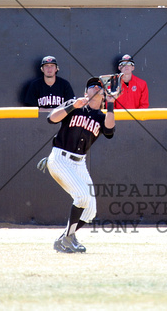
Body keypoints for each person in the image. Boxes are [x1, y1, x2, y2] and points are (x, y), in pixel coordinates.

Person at [44, 76, 115, 253]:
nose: (96, 87)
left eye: (99, 86)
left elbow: (110, 132)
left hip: (79, 163)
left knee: (90, 211)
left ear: (104, 95)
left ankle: (65, 238)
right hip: (60, 159)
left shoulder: (101, 117)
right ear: (86, 92)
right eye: (92, 86)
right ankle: (67, 239)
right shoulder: (74, 105)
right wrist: (72, 106)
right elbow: (51, 118)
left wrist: (111, 104)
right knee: (82, 197)